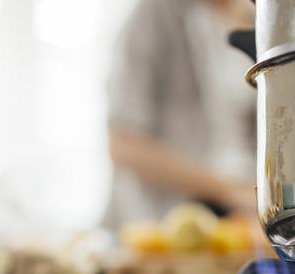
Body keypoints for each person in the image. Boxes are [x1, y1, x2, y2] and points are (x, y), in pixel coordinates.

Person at [105, 0, 256, 227]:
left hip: (246, 217)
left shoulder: (260, 16)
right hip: (171, 218)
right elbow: (123, 144)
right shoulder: (154, 14)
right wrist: (232, 191)